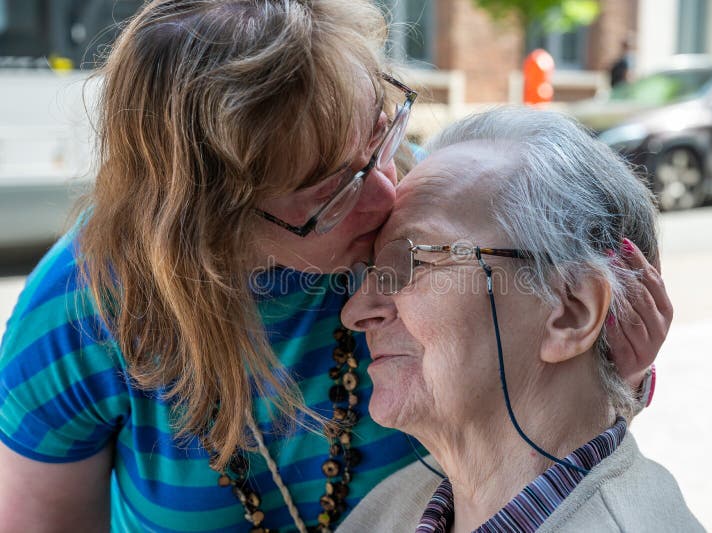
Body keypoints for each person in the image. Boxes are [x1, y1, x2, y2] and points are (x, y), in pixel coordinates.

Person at [0, 2, 670, 532]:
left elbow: (537, 414)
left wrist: (613, 378)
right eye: (329, 193)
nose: (387, 192)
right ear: (212, 225)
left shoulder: (420, 214)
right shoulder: (79, 313)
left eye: (380, 131)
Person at [339, 107, 700, 532]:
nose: (355, 313)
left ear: (570, 312)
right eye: (372, 270)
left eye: (409, 262)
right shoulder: (388, 510)